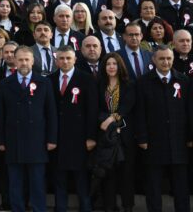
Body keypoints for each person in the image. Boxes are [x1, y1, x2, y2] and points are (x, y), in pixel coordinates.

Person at [0, 46, 56, 212]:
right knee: (15, 182)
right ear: (14, 60)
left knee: (37, 182)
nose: (23, 63)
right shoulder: (6, 83)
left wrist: (52, 139)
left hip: (37, 140)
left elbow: (51, 113)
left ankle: (38, 209)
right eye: (20, 59)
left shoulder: (44, 82)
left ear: (33, 61)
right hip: (13, 139)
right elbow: (0, 113)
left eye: (27, 59)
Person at [136, 45, 192, 212]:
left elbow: (189, 111)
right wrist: (142, 138)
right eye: (161, 58)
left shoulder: (183, 81)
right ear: (154, 60)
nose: (165, 62)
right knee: (153, 187)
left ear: (173, 59)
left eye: (168, 58)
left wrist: (190, 137)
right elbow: (140, 113)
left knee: (181, 188)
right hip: (153, 143)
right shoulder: (143, 82)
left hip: (178, 142)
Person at [47, 45, 97, 212]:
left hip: (79, 138)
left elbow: (92, 111)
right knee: (58, 178)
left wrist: (91, 137)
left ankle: (86, 208)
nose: (65, 61)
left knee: (81, 179)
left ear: (75, 59)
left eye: (68, 58)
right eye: (61, 58)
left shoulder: (86, 79)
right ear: (56, 60)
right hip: (57, 138)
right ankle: (60, 208)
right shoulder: (50, 80)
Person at [96, 52, 137, 212]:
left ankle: (128, 206)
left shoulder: (129, 84)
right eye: (108, 64)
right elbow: (97, 108)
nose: (111, 67)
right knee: (109, 175)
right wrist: (105, 121)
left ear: (120, 66)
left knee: (127, 174)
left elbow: (127, 107)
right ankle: (109, 206)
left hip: (125, 136)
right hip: (107, 137)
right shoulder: (99, 84)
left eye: (114, 63)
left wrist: (111, 119)